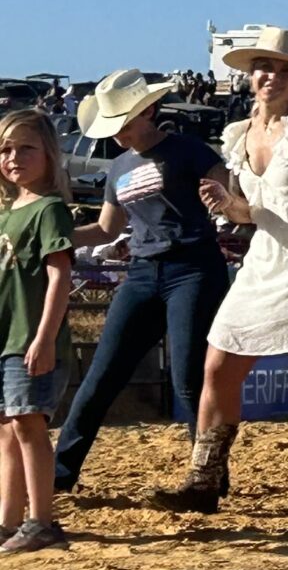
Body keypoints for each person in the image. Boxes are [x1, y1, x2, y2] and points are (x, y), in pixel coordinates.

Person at [155, 28, 288, 518]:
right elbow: (256, 212)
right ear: (249, 75)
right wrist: (231, 206)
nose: (270, 76)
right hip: (265, 259)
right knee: (217, 366)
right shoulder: (240, 132)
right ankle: (203, 481)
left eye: (282, 69)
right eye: (263, 67)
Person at [51, 71, 232, 493]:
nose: (117, 133)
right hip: (143, 271)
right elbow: (107, 229)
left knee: (188, 376)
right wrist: (56, 238)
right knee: (102, 373)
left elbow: (227, 191)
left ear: (149, 111)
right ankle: (60, 474)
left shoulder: (188, 150)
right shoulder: (118, 166)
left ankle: (207, 474)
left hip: (193, 266)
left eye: (124, 122)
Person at [0, 109, 76, 552]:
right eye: (6, 149)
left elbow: (59, 276)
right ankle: (9, 519)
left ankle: (41, 520)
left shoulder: (49, 210)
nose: (14, 158)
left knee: (30, 425)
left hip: (29, 339)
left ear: (48, 153)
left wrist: (45, 336)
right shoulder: (9, 211)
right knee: (8, 430)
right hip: (6, 338)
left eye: (25, 148)